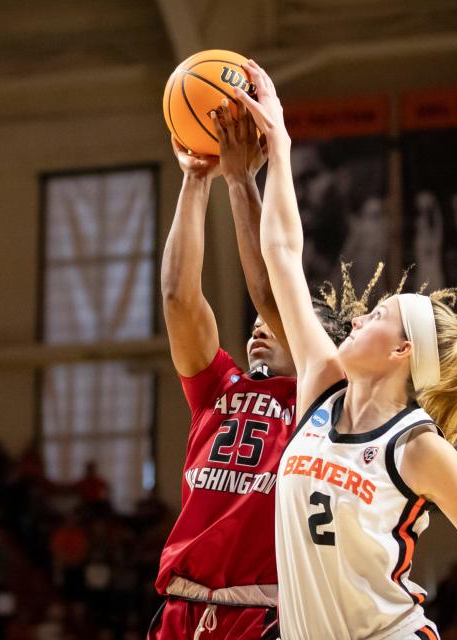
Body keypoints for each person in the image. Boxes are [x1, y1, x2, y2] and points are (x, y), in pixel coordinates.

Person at [234, 59, 457, 640]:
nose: (358, 315)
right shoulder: (321, 386)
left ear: (404, 349)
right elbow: (283, 254)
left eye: (379, 314)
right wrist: (280, 146)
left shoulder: (417, 447)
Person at [148, 102, 296, 640]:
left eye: (271, 324)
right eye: (254, 322)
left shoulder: (321, 398)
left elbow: (273, 288)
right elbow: (177, 298)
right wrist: (196, 182)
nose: (258, 327)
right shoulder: (219, 386)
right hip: (181, 606)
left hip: (264, 612)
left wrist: (242, 182)